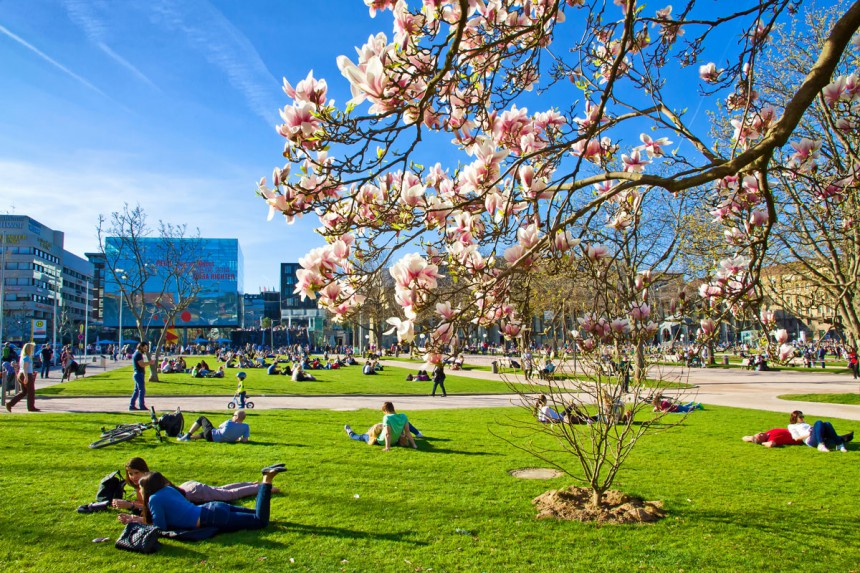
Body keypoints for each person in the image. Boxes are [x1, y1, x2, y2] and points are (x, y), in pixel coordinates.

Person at [117, 464, 286, 532]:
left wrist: (135, 521)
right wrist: (136, 517)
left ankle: (266, 480)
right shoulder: (168, 489)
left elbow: (160, 526)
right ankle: (262, 482)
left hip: (211, 516)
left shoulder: (154, 499)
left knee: (260, 521)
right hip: (213, 508)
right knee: (255, 513)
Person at [112, 457, 279, 513]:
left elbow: (150, 508)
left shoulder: (149, 482)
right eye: (131, 474)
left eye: (136, 473)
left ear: (144, 470)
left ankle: (265, 487)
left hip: (193, 494)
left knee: (229, 495)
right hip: (189, 488)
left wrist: (129, 505)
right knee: (222, 489)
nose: (134, 477)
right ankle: (253, 484)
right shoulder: (147, 481)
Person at [344, 402, 419, 451]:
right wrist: (414, 445)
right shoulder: (403, 416)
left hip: (381, 441)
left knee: (363, 436)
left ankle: (350, 432)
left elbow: (387, 434)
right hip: (395, 441)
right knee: (375, 429)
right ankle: (369, 431)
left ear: (385, 410)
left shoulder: (387, 417)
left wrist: (387, 447)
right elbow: (408, 432)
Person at [787, 410, 853, 452]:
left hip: (817, 435)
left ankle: (839, 444)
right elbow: (796, 438)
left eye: (803, 416)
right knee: (818, 422)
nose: (802, 418)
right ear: (795, 417)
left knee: (827, 424)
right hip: (810, 440)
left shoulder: (804, 423)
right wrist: (810, 433)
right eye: (800, 417)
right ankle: (821, 445)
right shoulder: (792, 426)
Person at [178, 410, 250, 442]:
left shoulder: (229, 422)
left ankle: (188, 435)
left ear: (236, 417)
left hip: (212, 435)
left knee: (202, 418)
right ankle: (188, 438)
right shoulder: (246, 427)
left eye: (233, 415)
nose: (232, 417)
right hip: (214, 439)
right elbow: (245, 440)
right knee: (205, 433)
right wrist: (239, 438)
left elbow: (220, 426)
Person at [6, 342, 39, 412]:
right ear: (29, 349)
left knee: (24, 392)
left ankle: (10, 404)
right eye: (32, 348)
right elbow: (25, 368)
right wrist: (26, 377)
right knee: (31, 392)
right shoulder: (27, 357)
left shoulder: (23, 357)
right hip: (26, 375)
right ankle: (31, 407)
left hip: (21, 374)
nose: (33, 350)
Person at [130, 342, 154, 411]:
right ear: (141, 347)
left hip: (137, 374)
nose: (146, 350)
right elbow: (141, 364)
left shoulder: (136, 354)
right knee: (142, 390)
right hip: (138, 374)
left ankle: (132, 405)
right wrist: (150, 362)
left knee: (136, 391)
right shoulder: (138, 355)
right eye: (145, 348)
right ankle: (141, 406)